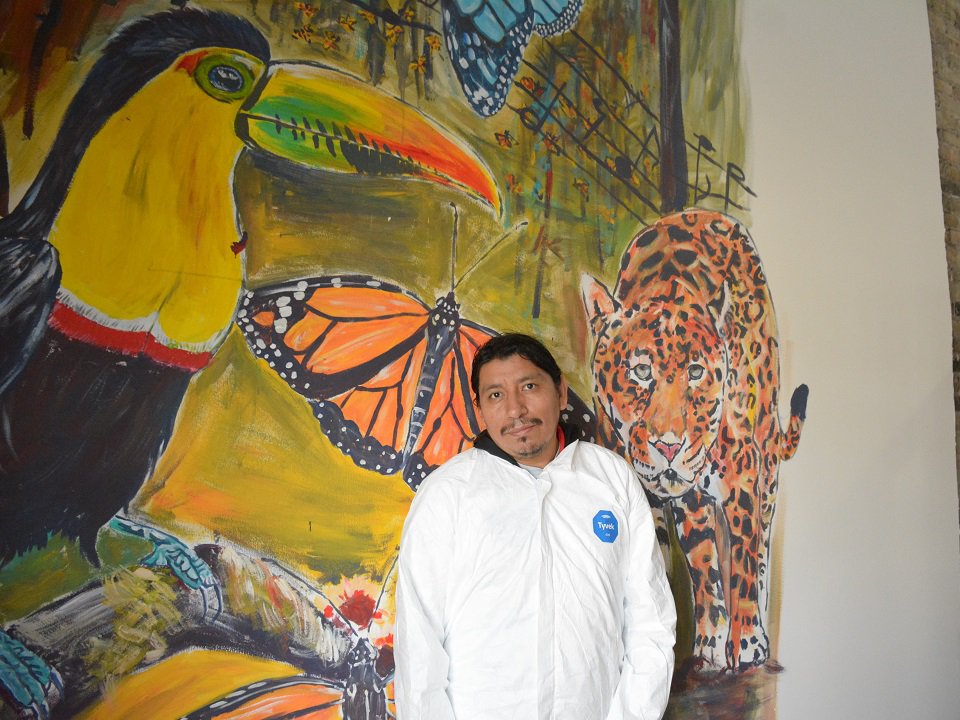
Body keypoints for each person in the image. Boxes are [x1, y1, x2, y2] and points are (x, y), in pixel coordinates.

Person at [394, 333, 676, 720]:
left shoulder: (611, 479)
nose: (515, 410)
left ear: (560, 392)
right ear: (479, 409)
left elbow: (650, 622)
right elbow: (418, 645)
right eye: (495, 395)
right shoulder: (447, 494)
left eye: (529, 386)